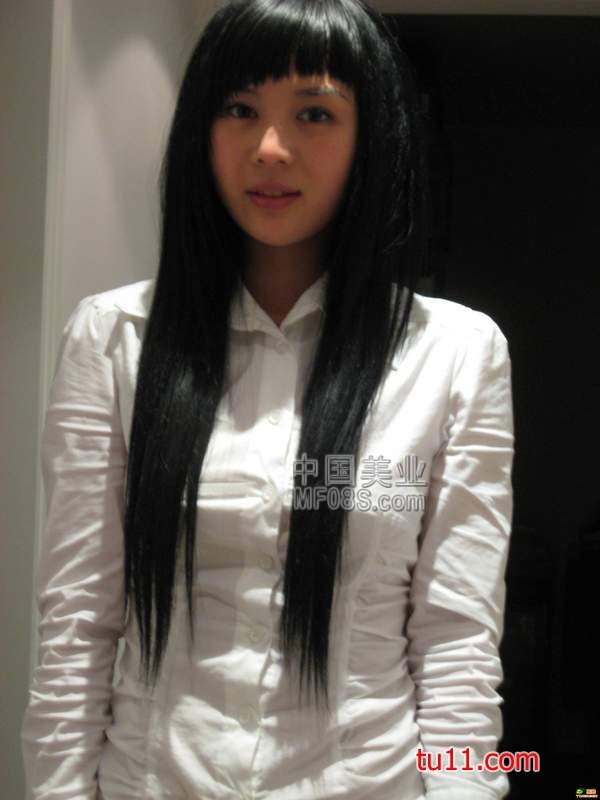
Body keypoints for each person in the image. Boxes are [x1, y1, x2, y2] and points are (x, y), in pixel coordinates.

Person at [21, 1, 515, 798]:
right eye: (240, 109)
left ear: (369, 137)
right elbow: (77, 626)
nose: (270, 148)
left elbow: (458, 642)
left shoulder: (454, 354)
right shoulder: (114, 340)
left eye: (314, 113)